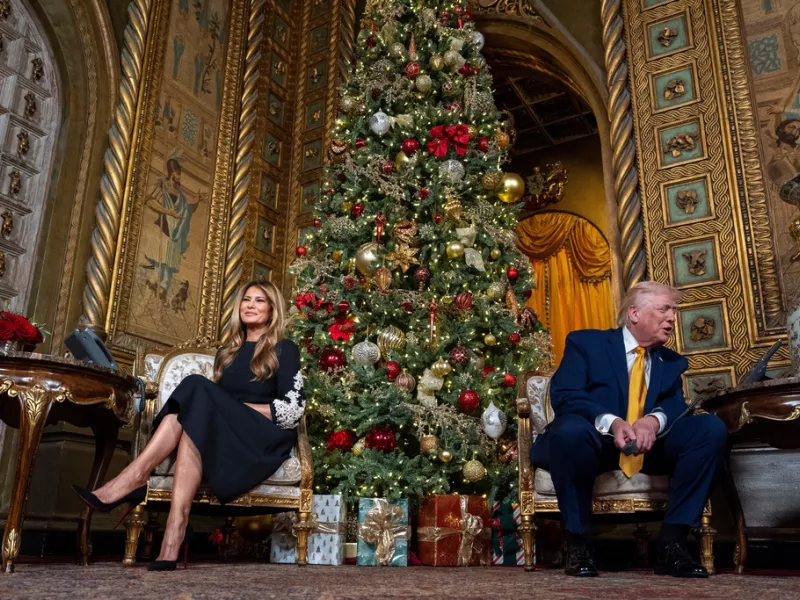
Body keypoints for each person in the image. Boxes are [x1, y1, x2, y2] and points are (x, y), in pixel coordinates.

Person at [72, 280, 305, 571]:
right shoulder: (227, 353)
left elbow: (292, 410)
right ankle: (175, 529)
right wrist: (222, 410)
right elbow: (214, 409)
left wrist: (234, 409)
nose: (250, 305)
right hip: (228, 433)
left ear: (272, 310)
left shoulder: (284, 349)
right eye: (247, 299)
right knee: (193, 419)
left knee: (195, 387)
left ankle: (135, 477)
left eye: (260, 300)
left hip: (262, 438)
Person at [531, 281, 727, 578]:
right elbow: (566, 395)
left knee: (709, 428)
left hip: (647, 450)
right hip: (593, 447)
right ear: (634, 313)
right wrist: (613, 422)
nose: (672, 318)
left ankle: (672, 544)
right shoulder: (586, 343)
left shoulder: (671, 362)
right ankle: (578, 543)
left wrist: (652, 421)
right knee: (569, 430)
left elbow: (674, 404)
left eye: (674, 311)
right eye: (664, 309)